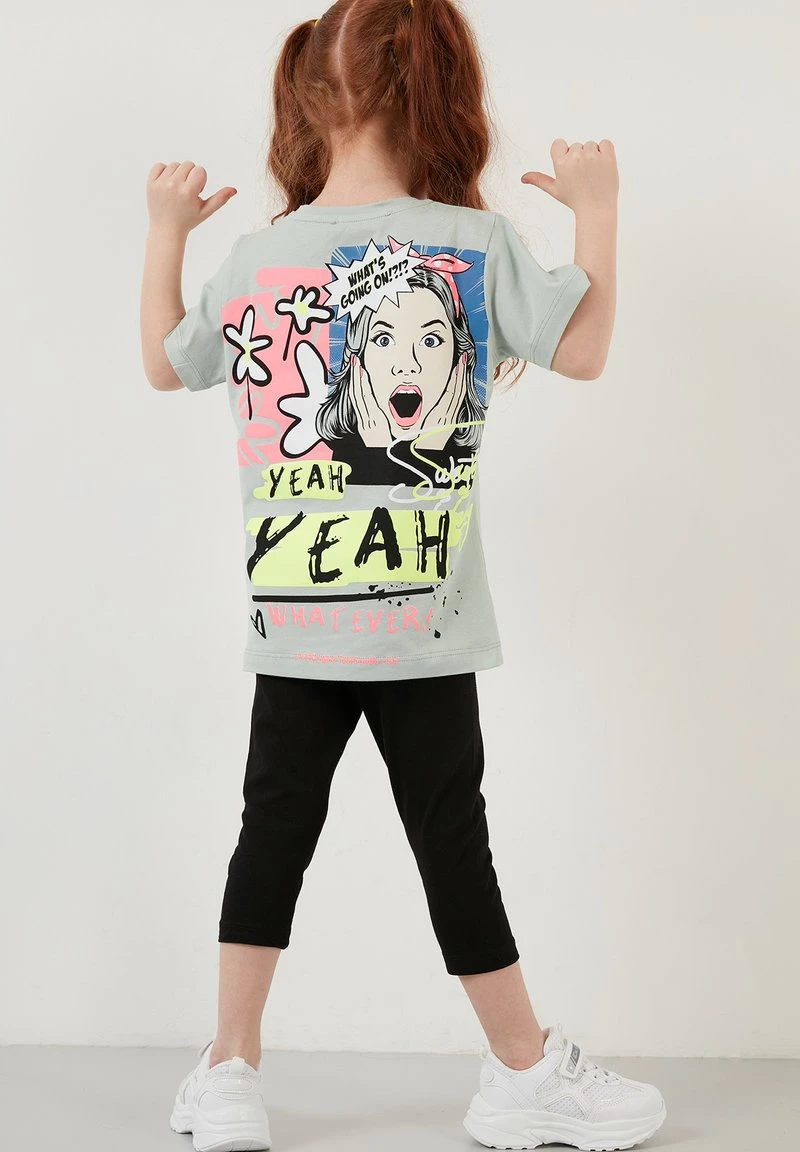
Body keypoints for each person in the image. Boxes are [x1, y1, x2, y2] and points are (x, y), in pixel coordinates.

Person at [140, 2, 666, 1150]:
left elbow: (164, 363)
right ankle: (520, 1070)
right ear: (436, 91)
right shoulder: (471, 245)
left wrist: (164, 231)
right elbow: (581, 349)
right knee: (450, 842)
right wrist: (598, 211)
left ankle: (229, 1070)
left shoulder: (256, 258)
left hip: (295, 623)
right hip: (422, 626)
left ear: (306, 100)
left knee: (270, 834)